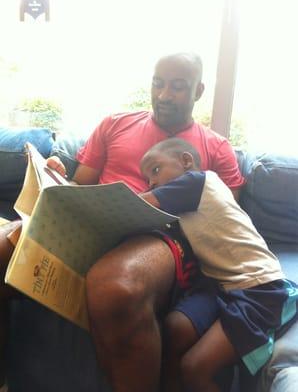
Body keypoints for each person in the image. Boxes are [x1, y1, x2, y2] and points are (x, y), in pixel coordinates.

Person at [0, 52, 245, 392]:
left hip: (163, 238)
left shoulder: (215, 148)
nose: (163, 96)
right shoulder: (115, 123)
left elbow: (227, 218)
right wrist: (57, 173)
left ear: (198, 91)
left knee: (115, 287)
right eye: (158, 84)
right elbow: (81, 185)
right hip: (89, 226)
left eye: (177, 87)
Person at [139, 137, 298, 392]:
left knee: (194, 368)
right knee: (174, 327)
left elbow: (138, 205)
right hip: (220, 284)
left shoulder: (197, 181)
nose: (152, 182)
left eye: (156, 170)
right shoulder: (185, 203)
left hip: (259, 287)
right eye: (148, 179)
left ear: (186, 161)